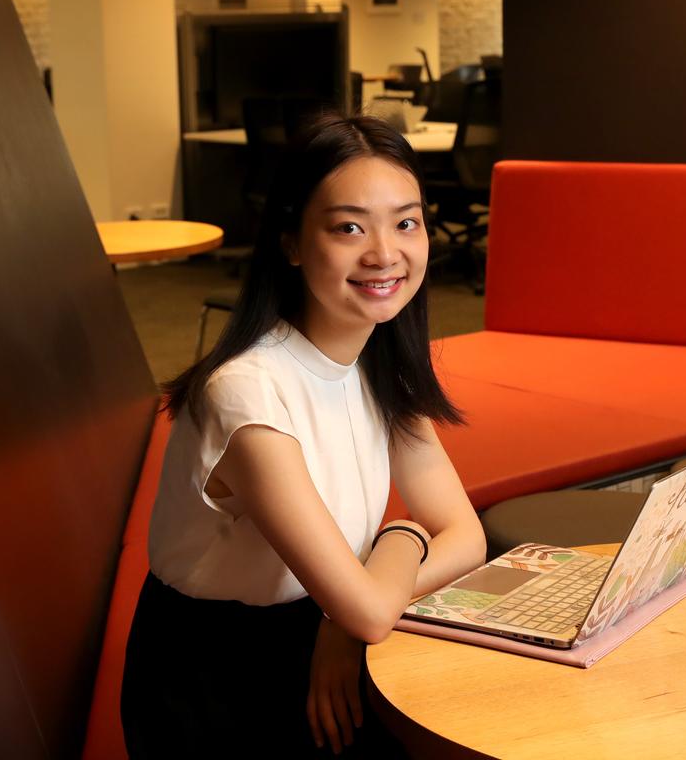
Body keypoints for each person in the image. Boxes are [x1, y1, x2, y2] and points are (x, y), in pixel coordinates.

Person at [121, 114, 486, 758]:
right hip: (221, 678)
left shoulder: (382, 362)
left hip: (323, 634)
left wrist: (339, 620)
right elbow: (376, 604)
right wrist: (401, 537)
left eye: (406, 222)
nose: (384, 252)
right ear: (291, 242)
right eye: (349, 226)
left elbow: (467, 538)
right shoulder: (248, 393)